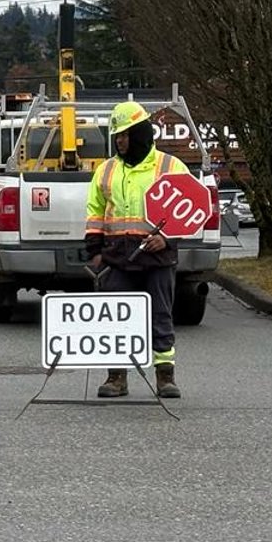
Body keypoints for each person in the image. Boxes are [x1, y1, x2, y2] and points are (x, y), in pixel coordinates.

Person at [84, 100, 190, 400]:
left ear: (141, 133)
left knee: (160, 316)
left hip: (157, 258)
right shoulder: (106, 171)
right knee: (116, 320)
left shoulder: (170, 167)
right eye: (117, 136)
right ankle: (116, 378)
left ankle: (165, 378)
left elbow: (191, 211)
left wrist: (168, 239)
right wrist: (95, 250)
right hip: (117, 259)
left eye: (125, 134)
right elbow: (95, 211)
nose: (120, 140)